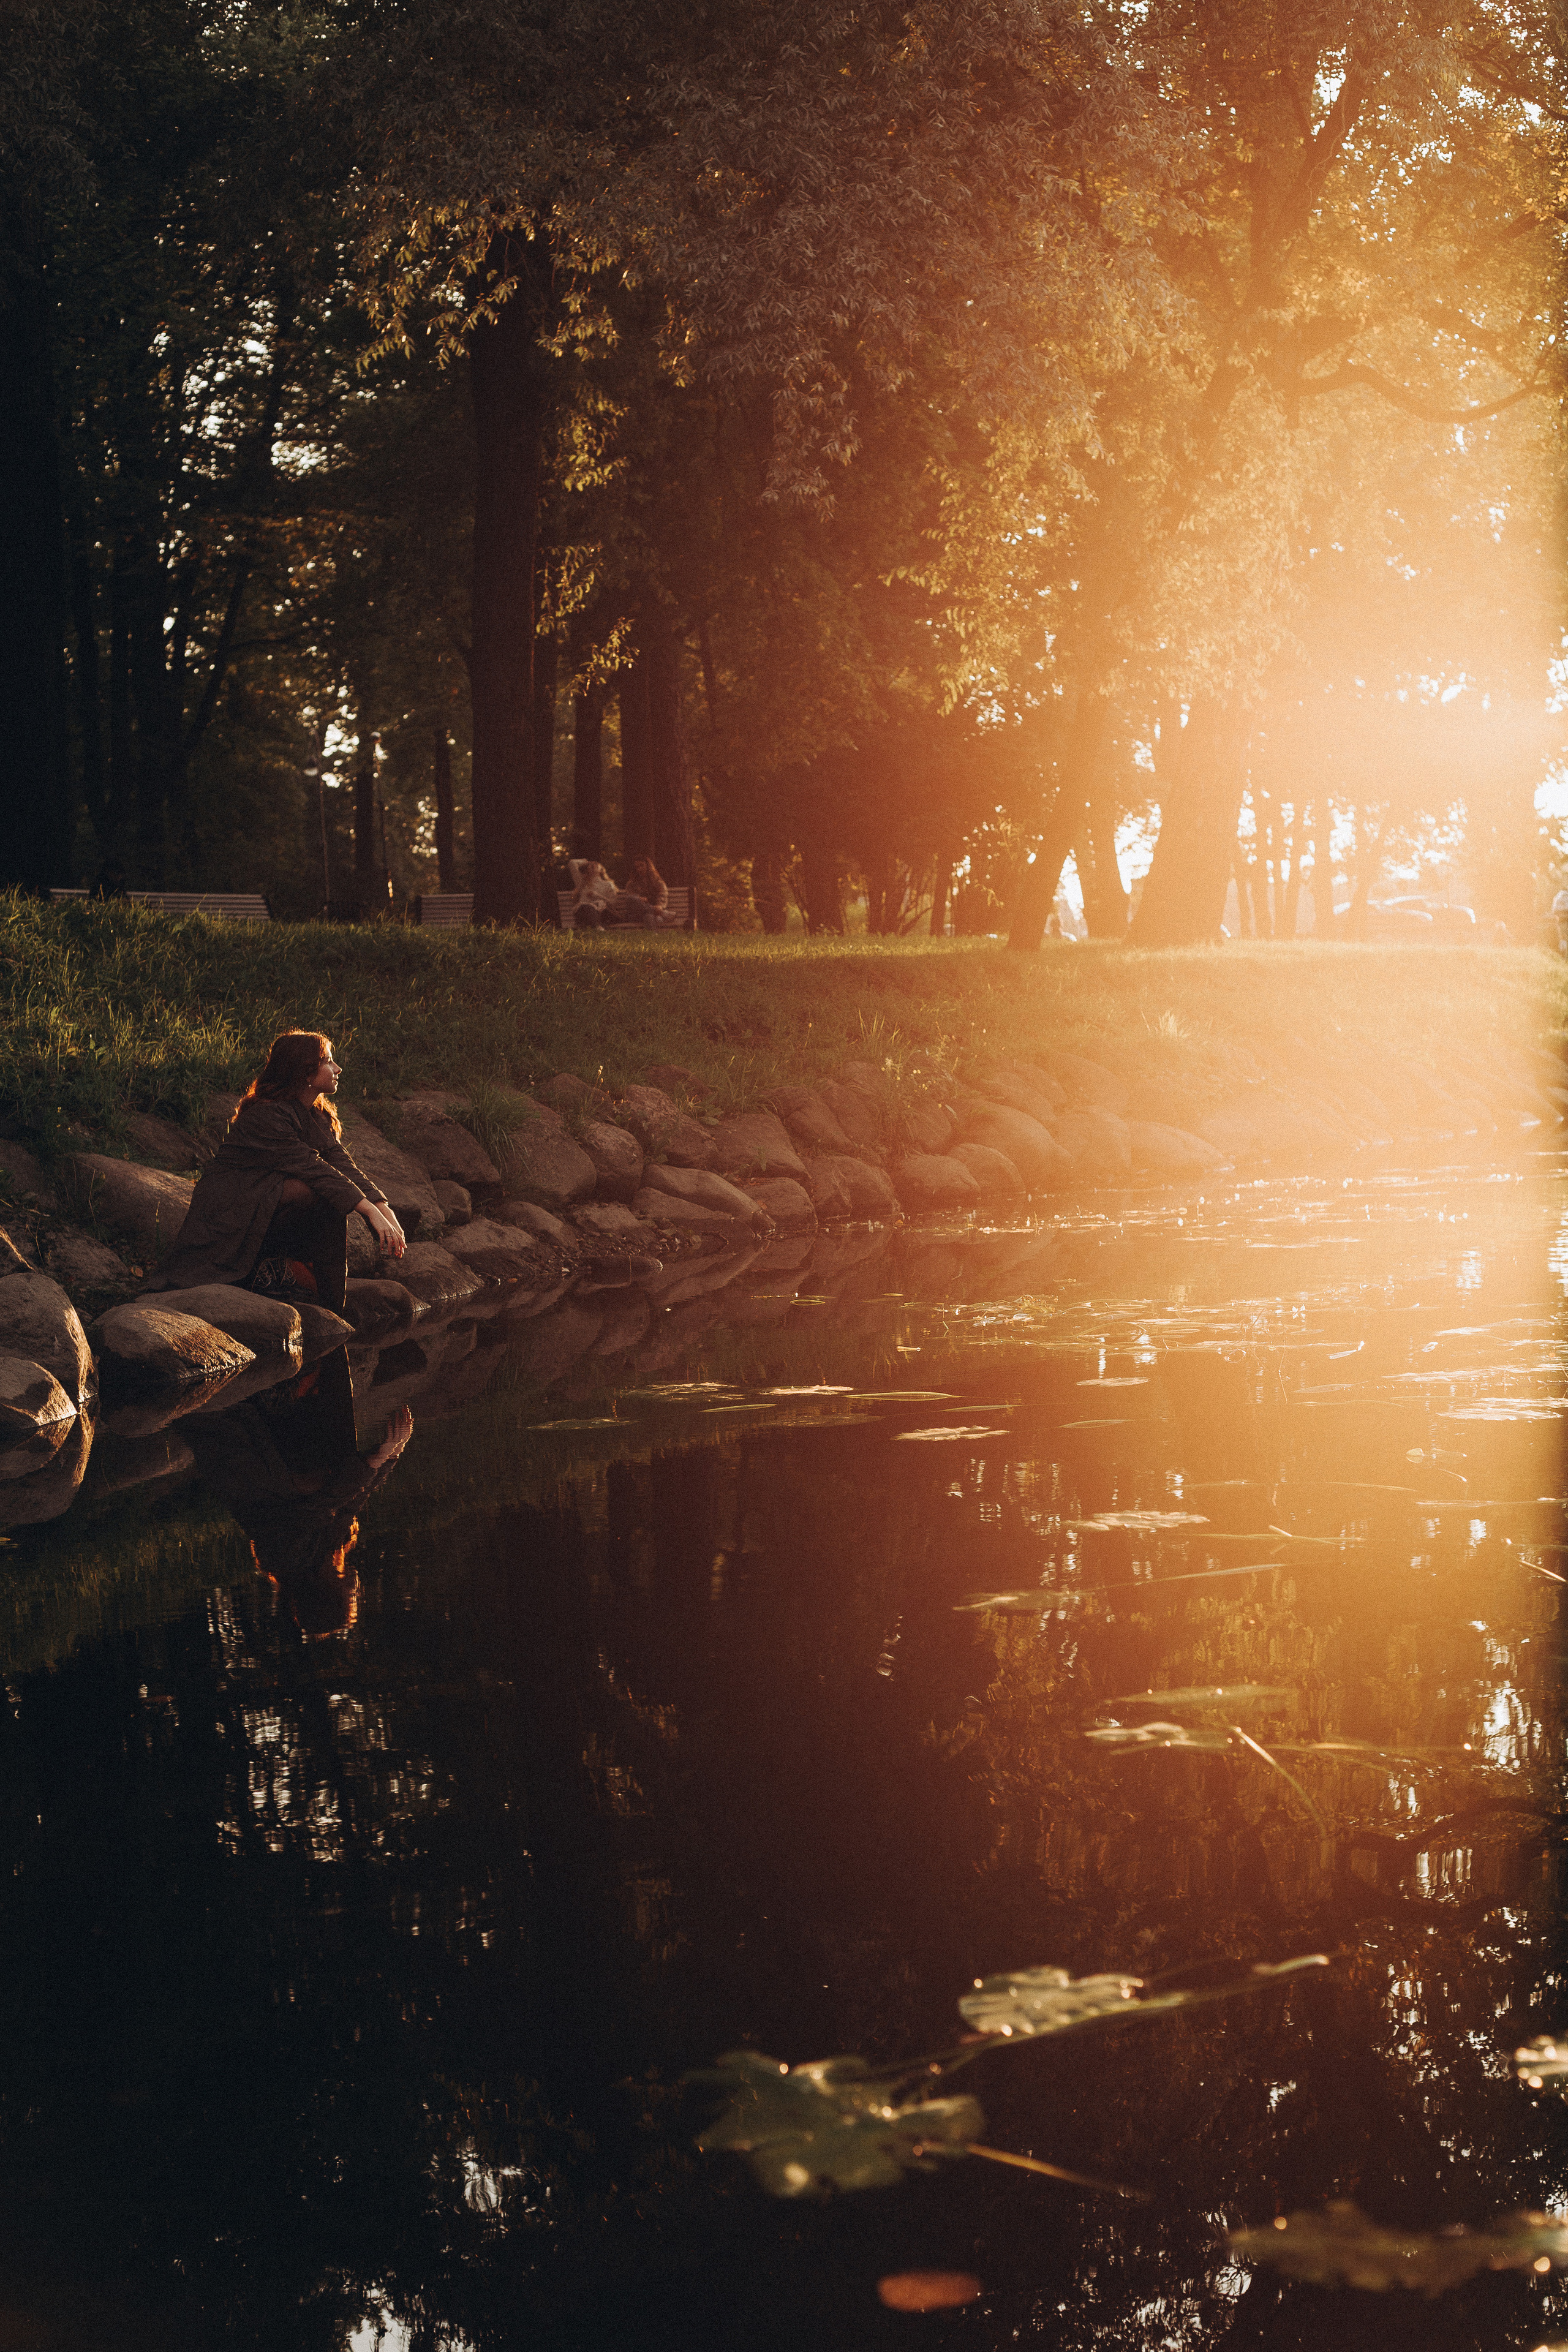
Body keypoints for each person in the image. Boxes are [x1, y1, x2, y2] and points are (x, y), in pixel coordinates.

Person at [145, 1029, 404, 1311]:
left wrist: (383, 1208)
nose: (337, 1068)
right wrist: (368, 1212)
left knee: (330, 1192)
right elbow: (314, 1169)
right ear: (306, 1073)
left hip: (267, 1203)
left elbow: (341, 1164)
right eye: (328, 1061)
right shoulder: (266, 1116)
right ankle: (274, 1274)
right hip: (231, 1211)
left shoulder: (317, 1115)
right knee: (320, 1189)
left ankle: (329, 1305)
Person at [183, 1349, 412, 1638]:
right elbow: (350, 1505)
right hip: (289, 1466)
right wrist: (393, 1453)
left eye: (351, 1599)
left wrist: (376, 1460)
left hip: (255, 1457)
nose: (358, 1591)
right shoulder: (328, 1554)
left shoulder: (285, 1559)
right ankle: (325, 1362)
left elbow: (319, 1506)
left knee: (332, 1477)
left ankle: (292, 1387)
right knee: (340, 1472)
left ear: (328, 1593)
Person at [612, 854, 677, 929]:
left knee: (648, 915)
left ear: (648, 866)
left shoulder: (657, 882)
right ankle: (662, 914)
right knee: (631, 898)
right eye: (637, 867)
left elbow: (663, 895)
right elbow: (631, 898)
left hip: (651, 914)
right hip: (636, 914)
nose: (639, 869)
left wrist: (660, 906)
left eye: (642, 866)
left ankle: (653, 937)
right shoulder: (632, 883)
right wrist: (640, 899)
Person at [565, 857, 617, 929]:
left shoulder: (608, 884)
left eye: (596, 864)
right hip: (584, 912)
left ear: (601, 870)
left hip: (601, 912)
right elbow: (572, 863)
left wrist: (597, 896)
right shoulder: (582, 882)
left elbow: (613, 903)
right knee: (586, 907)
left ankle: (596, 926)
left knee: (593, 908)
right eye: (590, 865)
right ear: (587, 869)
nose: (593, 865)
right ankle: (597, 927)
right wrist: (586, 862)